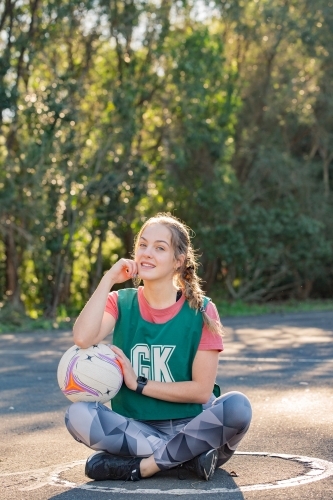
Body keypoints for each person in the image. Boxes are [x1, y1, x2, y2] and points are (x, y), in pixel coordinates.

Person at [65, 213, 252, 482]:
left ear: (179, 261)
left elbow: (201, 391)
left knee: (238, 407)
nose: (147, 253)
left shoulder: (202, 310)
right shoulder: (121, 302)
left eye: (159, 248)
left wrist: (138, 382)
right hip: (137, 432)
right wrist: (108, 279)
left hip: (194, 429)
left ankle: (145, 467)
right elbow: (82, 339)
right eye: (142, 245)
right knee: (78, 414)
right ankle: (185, 461)